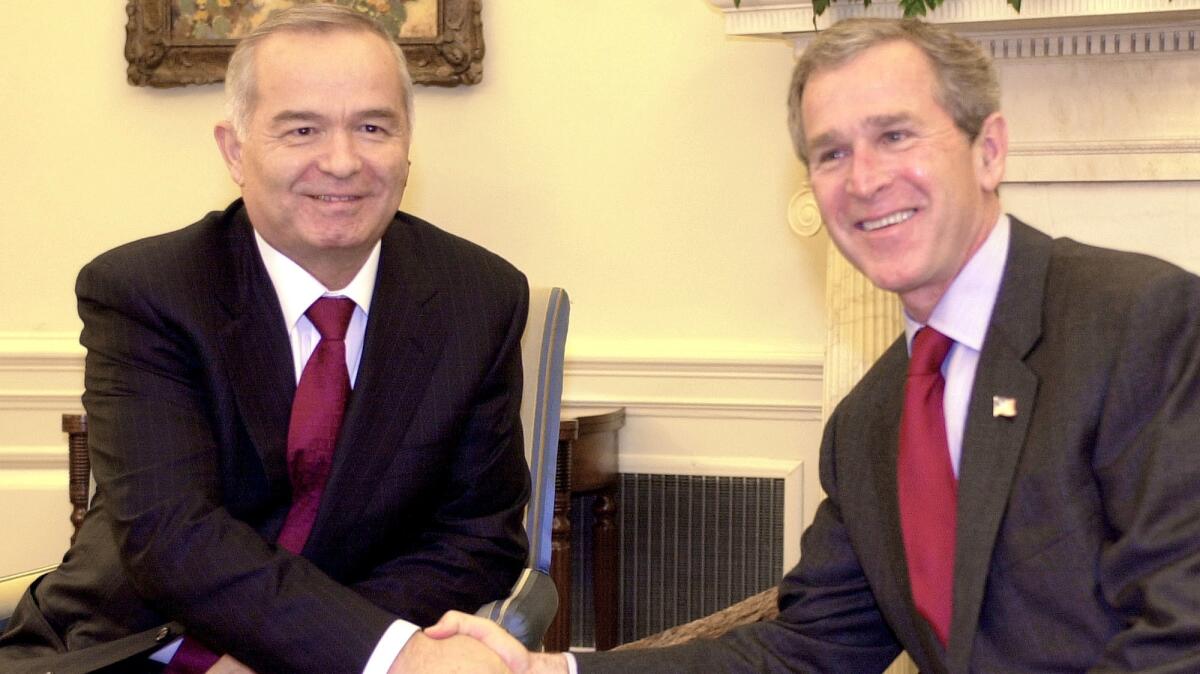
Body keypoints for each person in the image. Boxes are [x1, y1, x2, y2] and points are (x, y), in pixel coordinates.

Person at [427, 17, 1200, 673]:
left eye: (895, 135)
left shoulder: (1136, 322)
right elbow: (803, 649)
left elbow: (1182, 632)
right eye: (830, 154)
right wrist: (549, 668)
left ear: (989, 150)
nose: (863, 180)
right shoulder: (870, 423)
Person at [0, 5, 527, 673]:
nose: (341, 162)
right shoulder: (147, 292)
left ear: (407, 146)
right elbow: (171, 536)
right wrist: (371, 653)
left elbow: (474, 538)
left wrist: (316, 653)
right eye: (301, 129)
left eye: (373, 127)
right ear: (234, 150)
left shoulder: (477, 298)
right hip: (133, 646)